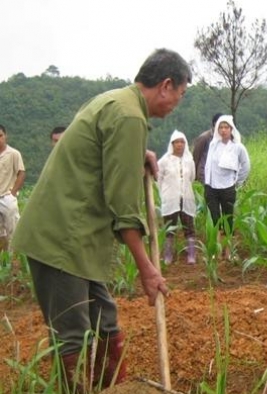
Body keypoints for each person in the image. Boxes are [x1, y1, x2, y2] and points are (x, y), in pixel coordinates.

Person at [10, 48, 190, 390]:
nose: (175, 105)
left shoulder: (116, 101)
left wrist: (141, 152)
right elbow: (124, 209)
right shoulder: (129, 117)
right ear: (166, 85)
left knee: (106, 325)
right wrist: (147, 270)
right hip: (62, 238)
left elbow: (100, 151)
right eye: (179, 96)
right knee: (73, 337)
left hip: (79, 239)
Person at [204, 115, 250, 259]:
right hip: (212, 187)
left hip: (228, 188)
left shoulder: (237, 147)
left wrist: (237, 182)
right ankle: (218, 253)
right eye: (221, 127)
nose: (223, 130)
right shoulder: (213, 145)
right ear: (217, 129)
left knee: (228, 219)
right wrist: (207, 183)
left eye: (226, 127)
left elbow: (246, 166)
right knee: (216, 219)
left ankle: (228, 252)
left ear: (231, 129)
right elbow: (209, 166)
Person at [157, 130, 197, 265]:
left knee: (189, 226)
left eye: (182, 142)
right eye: (176, 142)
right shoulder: (164, 161)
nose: (179, 145)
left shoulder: (189, 160)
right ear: (172, 144)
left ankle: (191, 255)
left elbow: (192, 177)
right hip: (170, 199)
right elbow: (159, 179)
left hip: (186, 198)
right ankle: (168, 255)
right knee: (170, 228)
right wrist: (165, 193)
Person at [0, 125, 25, 252]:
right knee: (1, 235)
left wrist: (13, 192)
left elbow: (21, 172)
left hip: (7, 198)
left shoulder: (14, 154)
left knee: (13, 232)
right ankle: (3, 263)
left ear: (5, 136)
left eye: (0, 136)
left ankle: (13, 264)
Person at [192, 113, 223, 186]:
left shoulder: (224, 138)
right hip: (204, 175)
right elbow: (196, 157)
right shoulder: (204, 138)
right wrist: (194, 176)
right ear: (215, 123)